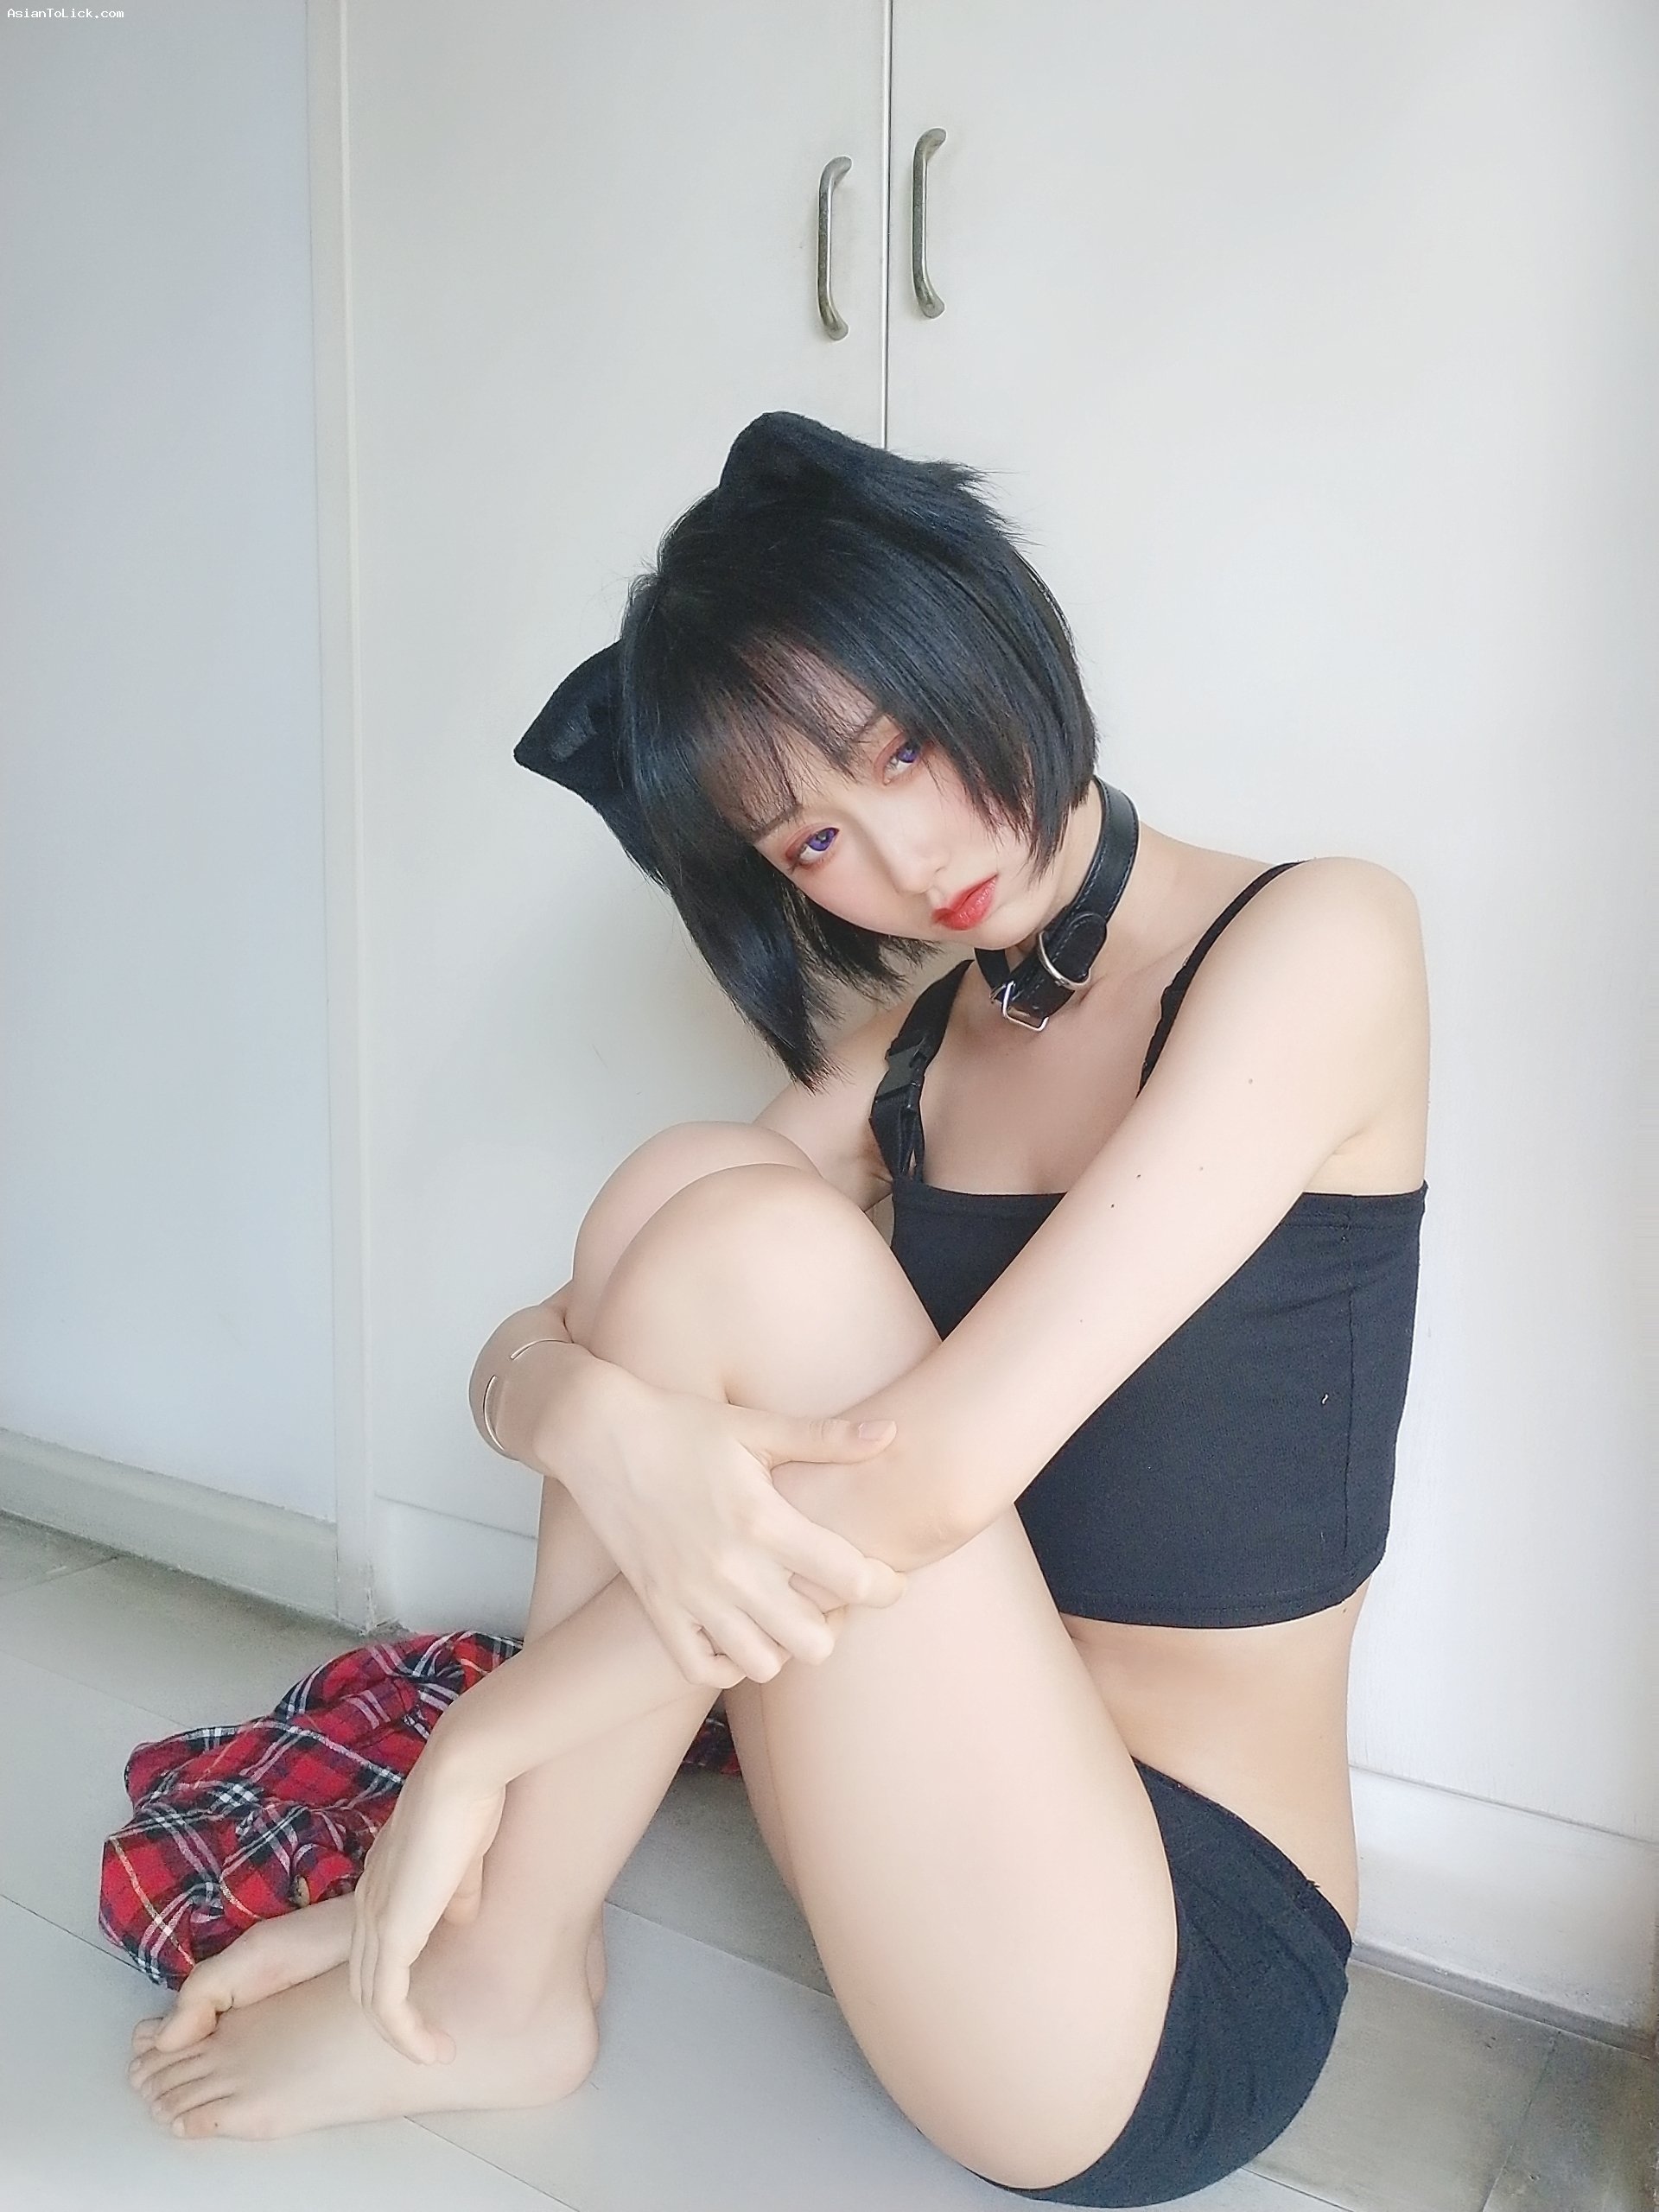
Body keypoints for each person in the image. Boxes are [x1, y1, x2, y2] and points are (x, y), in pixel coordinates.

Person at [127, 412, 1428, 2204]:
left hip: (1161, 1987)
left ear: (987, 628)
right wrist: (592, 1417)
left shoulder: (1321, 941)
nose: (906, 855)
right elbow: (557, 1322)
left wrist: (486, 1740)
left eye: (901, 744)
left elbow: (935, 1480)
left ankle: (497, 1951)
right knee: (682, 1188)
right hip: (935, 1838)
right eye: (816, 838)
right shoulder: (925, 1044)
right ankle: (514, 1969)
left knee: (746, 1241)